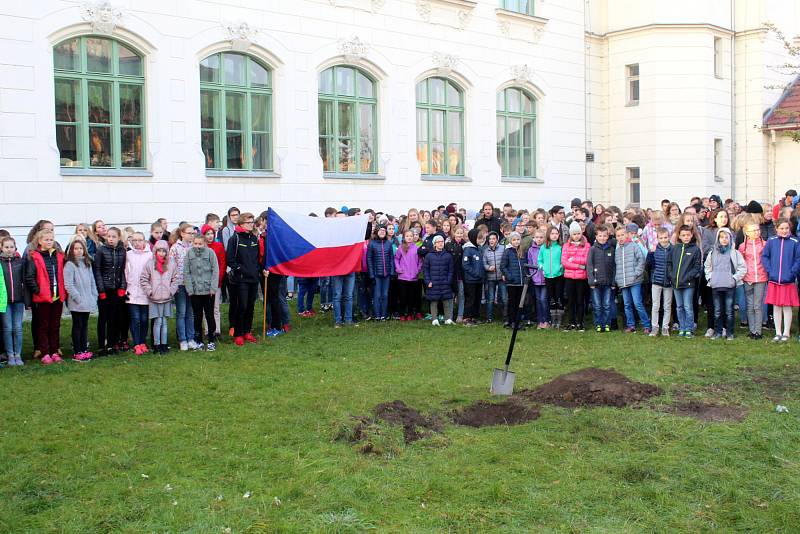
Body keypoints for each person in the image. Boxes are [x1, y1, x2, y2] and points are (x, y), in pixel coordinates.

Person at [24, 229, 66, 365]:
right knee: (43, 326)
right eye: (46, 240)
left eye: (51, 239)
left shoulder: (59, 256)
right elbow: (29, 277)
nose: (49, 242)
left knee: (55, 325)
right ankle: (45, 352)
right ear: (40, 241)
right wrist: (38, 291)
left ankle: (54, 351)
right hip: (43, 298)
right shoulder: (34, 256)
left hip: (57, 297)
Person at [761, 218, 800, 342]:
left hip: (788, 280)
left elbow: (798, 259)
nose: (784, 231)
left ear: (790, 229)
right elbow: (765, 256)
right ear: (776, 228)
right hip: (774, 279)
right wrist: (770, 270)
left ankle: (786, 332)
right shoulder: (771, 241)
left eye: (787, 228)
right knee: (776, 306)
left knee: (787, 306)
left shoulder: (795, 242)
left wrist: (792, 273)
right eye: (782, 228)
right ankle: (778, 332)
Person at [704, 228, 746, 341]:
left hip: (729, 286)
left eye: (726, 237)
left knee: (729, 311)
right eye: (721, 237)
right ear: (718, 238)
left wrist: (734, 278)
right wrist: (710, 278)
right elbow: (707, 266)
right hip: (716, 285)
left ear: (730, 239)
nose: (724, 239)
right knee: (717, 311)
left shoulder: (735, 253)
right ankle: (718, 332)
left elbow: (742, 268)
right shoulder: (712, 253)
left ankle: (729, 333)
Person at [93, 227, 128, 355]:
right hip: (104, 289)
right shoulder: (101, 250)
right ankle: (102, 345)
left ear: (119, 238)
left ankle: (112, 344)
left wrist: (122, 287)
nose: (111, 239)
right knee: (103, 318)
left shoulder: (122, 251)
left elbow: (123, 271)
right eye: (109, 236)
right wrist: (101, 290)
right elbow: (97, 270)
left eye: (114, 237)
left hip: (116, 290)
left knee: (114, 318)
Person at [140, 240, 178, 354]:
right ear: (155, 251)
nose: (161, 253)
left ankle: (164, 344)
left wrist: (171, 291)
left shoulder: (171, 264)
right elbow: (144, 279)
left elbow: (176, 279)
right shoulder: (150, 264)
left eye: (164, 251)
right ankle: (157, 344)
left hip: (166, 297)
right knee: (157, 321)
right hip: (154, 298)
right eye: (159, 251)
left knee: (164, 321)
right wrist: (150, 291)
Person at [63, 237, 98, 360]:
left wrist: (94, 296)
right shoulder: (70, 265)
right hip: (77, 303)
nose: (78, 251)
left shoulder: (87, 263)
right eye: (75, 248)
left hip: (88, 301)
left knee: (85, 326)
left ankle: (84, 348)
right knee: (77, 326)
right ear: (71, 250)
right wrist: (78, 298)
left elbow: (92, 281)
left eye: (80, 248)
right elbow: (69, 285)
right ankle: (77, 350)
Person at [228, 213, 260, 345]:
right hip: (240, 279)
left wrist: (257, 269)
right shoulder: (234, 238)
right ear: (241, 224)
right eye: (248, 222)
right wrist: (240, 269)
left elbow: (257, 257)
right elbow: (230, 259)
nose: (251, 224)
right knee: (242, 306)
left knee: (250, 306)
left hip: (253, 278)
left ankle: (247, 331)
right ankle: (238, 333)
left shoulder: (254, 238)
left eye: (252, 222)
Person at [184, 233, 220, 351]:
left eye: (200, 244)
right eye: (195, 243)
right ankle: (198, 340)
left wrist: (213, 288)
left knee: (210, 316)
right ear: (192, 243)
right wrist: (189, 289)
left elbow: (215, 270)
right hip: (195, 292)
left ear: (204, 243)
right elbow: (186, 272)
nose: (198, 246)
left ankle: (211, 340)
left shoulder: (210, 253)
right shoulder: (189, 254)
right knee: (197, 317)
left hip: (208, 291)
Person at [614, 225, 650, 334]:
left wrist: (637, 273)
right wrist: (617, 278)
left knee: (637, 303)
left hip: (635, 280)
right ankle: (631, 325)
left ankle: (646, 325)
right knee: (627, 304)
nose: (621, 237)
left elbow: (641, 260)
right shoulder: (617, 251)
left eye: (622, 235)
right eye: (618, 236)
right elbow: (617, 266)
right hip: (623, 282)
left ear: (627, 235)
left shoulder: (634, 246)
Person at [667, 225, 702, 338]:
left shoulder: (695, 249)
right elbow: (669, 263)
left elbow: (697, 267)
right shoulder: (675, 248)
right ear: (679, 236)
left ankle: (689, 328)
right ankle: (682, 327)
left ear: (691, 235)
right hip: (676, 283)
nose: (686, 237)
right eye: (683, 235)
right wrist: (672, 276)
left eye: (688, 235)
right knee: (679, 307)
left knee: (688, 306)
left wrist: (688, 277)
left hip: (688, 284)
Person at [739, 222, 768, 339]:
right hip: (748, 278)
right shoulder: (743, 246)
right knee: (750, 305)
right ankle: (752, 330)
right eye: (753, 230)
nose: (757, 232)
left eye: (758, 230)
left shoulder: (765, 244)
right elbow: (740, 262)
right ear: (747, 233)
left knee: (757, 305)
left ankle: (758, 331)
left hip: (761, 277)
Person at [125, 232, 153, 355]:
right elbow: (125, 271)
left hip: (145, 291)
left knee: (144, 318)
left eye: (139, 240)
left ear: (144, 241)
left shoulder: (150, 255)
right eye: (134, 240)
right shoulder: (128, 255)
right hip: (131, 291)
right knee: (135, 318)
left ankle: (143, 342)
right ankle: (136, 343)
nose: (137, 243)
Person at [0, 237, 26, 366]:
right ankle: (10, 355)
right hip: (5, 302)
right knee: (7, 328)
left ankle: (18, 354)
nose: (9, 250)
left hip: (18, 301)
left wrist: (26, 299)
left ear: (15, 248)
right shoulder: (0, 263)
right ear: (1, 248)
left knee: (18, 328)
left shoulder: (20, 262)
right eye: (6, 247)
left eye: (11, 247)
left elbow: (25, 281)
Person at [587, 224, 615, 332]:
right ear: (596, 237)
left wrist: (613, 282)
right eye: (600, 236)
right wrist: (591, 281)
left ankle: (607, 324)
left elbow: (614, 266)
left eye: (604, 236)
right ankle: (598, 324)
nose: (602, 238)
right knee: (597, 305)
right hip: (595, 283)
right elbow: (589, 266)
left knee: (607, 305)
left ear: (607, 236)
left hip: (608, 283)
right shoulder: (593, 249)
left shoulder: (611, 249)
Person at [562, 222, 590, 331]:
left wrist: (572, 260)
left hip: (581, 278)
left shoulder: (587, 245)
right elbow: (564, 262)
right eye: (574, 234)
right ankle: (571, 322)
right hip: (569, 277)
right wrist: (579, 265)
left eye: (578, 233)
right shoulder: (566, 245)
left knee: (580, 301)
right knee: (570, 301)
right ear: (571, 235)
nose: (577, 236)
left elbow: (586, 260)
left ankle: (580, 322)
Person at [646, 227, 673, 337]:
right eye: (661, 238)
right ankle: (655, 327)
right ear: (657, 238)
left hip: (669, 281)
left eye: (665, 237)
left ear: (669, 237)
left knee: (667, 305)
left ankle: (665, 327)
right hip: (656, 281)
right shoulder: (654, 249)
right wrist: (651, 253)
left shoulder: (673, 249)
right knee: (655, 305)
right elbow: (648, 264)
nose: (663, 240)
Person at [423, 235, 454, 326]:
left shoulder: (448, 255)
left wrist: (448, 281)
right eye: (438, 242)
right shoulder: (429, 256)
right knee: (434, 301)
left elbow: (450, 270)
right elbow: (426, 270)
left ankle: (448, 318)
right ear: (434, 244)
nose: (441, 243)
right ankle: (434, 319)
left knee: (446, 301)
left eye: (442, 242)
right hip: (433, 282)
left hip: (445, 282)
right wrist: (428, 281)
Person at [367, 224, 395, 321]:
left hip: (387, 274)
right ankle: (377, 315)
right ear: (376, 232)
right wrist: (371, 275)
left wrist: (392, 272)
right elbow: (369, 259)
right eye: (380, 230)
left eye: (384, 230)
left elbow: (391, 258)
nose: (382, 232)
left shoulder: (389, 243)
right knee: (377, 295)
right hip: (376, 274)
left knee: (385, 295)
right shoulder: (372, 244)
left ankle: (384, 314)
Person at [394, 229, 422, 322]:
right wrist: (398, 269)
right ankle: (402, 313)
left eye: (411, 236)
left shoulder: (417, 248)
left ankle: (410, 314)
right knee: (403, 296)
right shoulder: (401, 247)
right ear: (404, 237)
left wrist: (417, 271)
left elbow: (420, 261)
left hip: (413, 277)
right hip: (402, 277)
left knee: (411, 297)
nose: (409, 238)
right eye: (407, 236)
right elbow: (396, 259)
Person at [500, 231, 526, 329]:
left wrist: (524, 276)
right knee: (512, 302)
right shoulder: (508, 251)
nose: (516, 242)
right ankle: (511, 321)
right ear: (511, 241)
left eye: (518, 239)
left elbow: (524, 265)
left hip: (521, 282)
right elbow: (503, 266)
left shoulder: (522, 251)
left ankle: (518, 321)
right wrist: (510, 277)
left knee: (520, 303)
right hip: (512, 282)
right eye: (514, 240)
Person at [461, 228, 485, 326]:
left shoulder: (478, 249)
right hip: (470, 280)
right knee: (470, 299)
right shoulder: (468, 250)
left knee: (477, 299)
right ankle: (467, 318)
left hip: (479, 280)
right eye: (479, 239)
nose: (481, 241)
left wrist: (481, 275)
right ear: (474, 238)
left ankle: (475, 316)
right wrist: (475, 273)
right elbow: (466, 265)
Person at [482, 231, 506, 323]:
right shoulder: (485, 250)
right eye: (490, 239)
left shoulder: (502, 248)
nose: (491, 240)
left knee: (504, 298)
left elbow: (505, 262)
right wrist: (488, 268)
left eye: (493, 238)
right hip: (490, 278)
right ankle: (489, 318)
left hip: (501, 277)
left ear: (497, 240)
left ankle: (505, 316)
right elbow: (484, 263)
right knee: (490, 299)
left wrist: (504, 273)